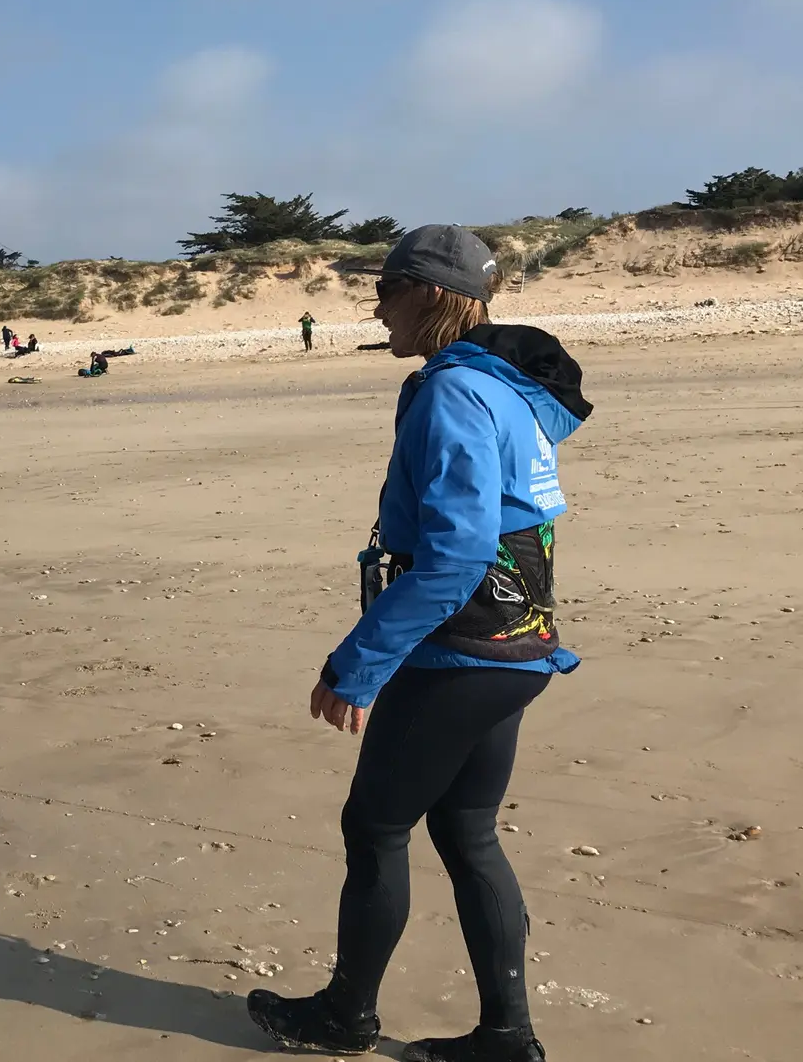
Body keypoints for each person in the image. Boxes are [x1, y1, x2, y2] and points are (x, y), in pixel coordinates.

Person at [246, 225, 592, 1062]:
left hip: (463, 652)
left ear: (431, 295)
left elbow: (459, 554)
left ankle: (345, 1018)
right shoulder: (507, 386)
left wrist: (357, 666)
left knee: (375, 828)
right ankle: (507, 1038)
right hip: (521, 648)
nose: (376, 304)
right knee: (467, 831)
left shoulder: (455, 393)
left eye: (386, 287)